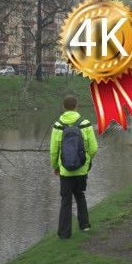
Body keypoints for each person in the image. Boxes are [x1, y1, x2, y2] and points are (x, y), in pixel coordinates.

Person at [50, 95, 98, 239]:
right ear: (77, 106)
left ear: (63, 108)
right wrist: (87, 161)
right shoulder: (86, 123)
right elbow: (94, 147)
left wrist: (56, 166)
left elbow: (54, 150)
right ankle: (84, 226)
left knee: (66, 200)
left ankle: (64, 234)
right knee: (80, 195)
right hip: (82, 169)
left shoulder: (58, 125)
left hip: (65, 170)